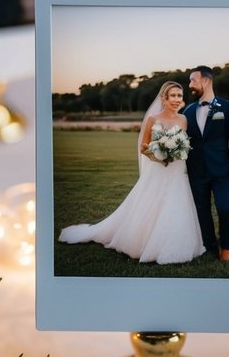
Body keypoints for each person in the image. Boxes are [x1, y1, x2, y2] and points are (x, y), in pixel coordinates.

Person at [58, 81, 205, 265]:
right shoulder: (153, 119)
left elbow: (185, 144)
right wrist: (159, 156)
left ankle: (176, 243)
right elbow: (143, 147)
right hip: (158, 170)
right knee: (152, 204)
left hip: (177, 170)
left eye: (179, 96)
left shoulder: (183, 120)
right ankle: (145, 242)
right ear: (164, 99)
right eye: (173, 96)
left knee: (177, 204)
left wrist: (177, 150)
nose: (177, 99)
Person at [183, 67, 229, 262]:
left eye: (193, 80)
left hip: (222, 170)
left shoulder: (226, 107)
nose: (190, 85)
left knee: (225, 208)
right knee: (202, 210)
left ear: (206, 81)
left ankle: (226, 247)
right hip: (196, 170)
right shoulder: (189, 110)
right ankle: (210, 244)